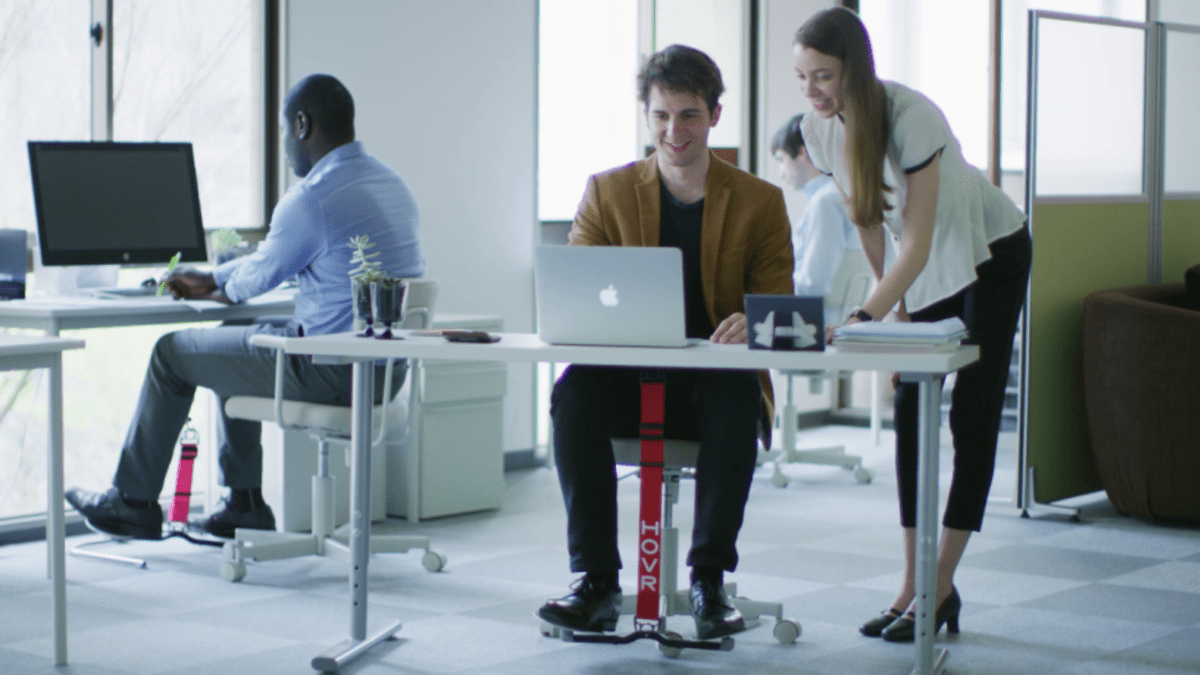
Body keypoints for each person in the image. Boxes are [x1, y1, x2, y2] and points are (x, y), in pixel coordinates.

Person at [65, 74, 424, 540]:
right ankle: (243, 504)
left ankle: (132, 501)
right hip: (386, 371)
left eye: (280, 131)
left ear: (301, 124)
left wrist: (214, 288)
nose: (282, 143)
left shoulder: (313, 198)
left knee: (172, 353)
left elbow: (257, 277)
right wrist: (214, 278)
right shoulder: (392, 185)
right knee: (233, 339)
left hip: (333, 370)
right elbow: (271, 262)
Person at [535, 45, 793, 641]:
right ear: (646, 116)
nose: (674, 131)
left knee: (735, 398)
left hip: (714, 381)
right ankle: (596, 583)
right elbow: (576, 289)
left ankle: (708, 581)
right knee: (573, 395)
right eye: (661, 116)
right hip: (630, 376)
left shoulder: (759, 202)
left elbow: (778, 302)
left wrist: (756, 323)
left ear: (715, 116)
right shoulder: (609, 192)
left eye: (689, 115)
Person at [793, 8, 1031, 642]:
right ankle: (909, 587)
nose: (812, 90)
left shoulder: (910, 116)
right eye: (802, 77)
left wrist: (866, 315)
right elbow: (872, 224)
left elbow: (919, 241)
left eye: (823, 75)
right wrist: (893, 315)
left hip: (991, 256)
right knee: (911, 408)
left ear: (854, 67)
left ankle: (939, 585)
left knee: (971, 415)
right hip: (918, 270)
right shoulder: (818, 133)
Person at [771, 113, 861, 299]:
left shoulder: (825, 201)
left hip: (814, 321)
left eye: (781, 159)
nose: (781, 173)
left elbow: (813, 285)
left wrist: (765, 287)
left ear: (803, 153)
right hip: (845, 316)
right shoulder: (847, 194)